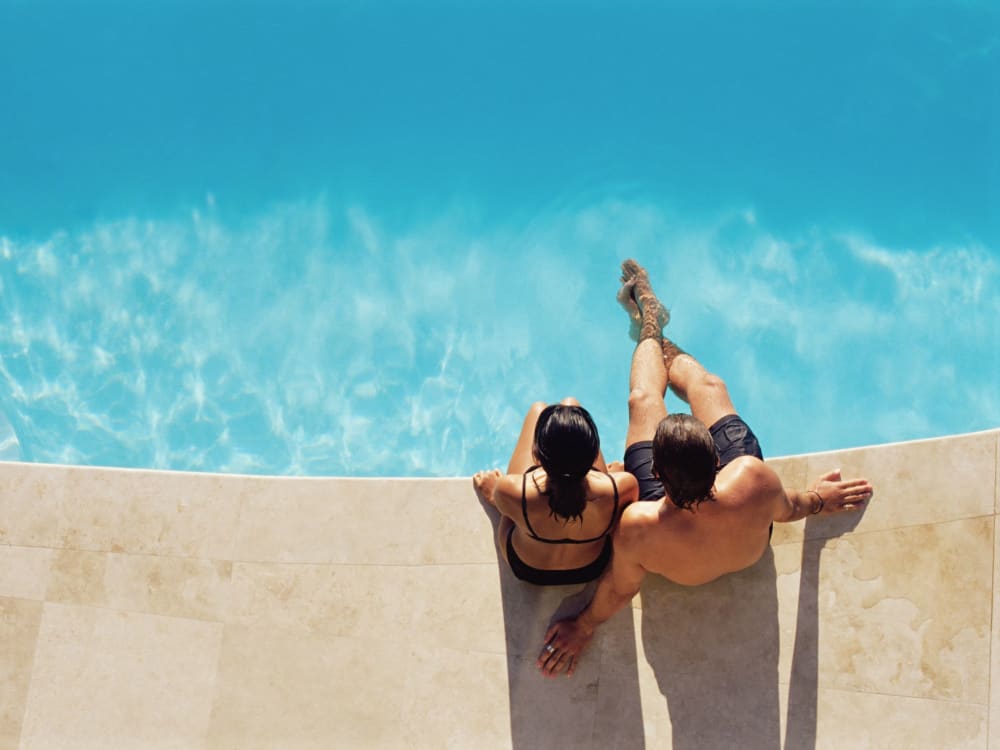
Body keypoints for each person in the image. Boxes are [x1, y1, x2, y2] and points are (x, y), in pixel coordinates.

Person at [536, 260, 874, 676]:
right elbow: (790, 507)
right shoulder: (751, 477)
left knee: (643, 400)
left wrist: (583, 626)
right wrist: (822, 500)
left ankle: (651, 328)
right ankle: (655, 328)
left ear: (655, 475)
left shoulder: (639, 526)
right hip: (734, 508)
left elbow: (621, 587)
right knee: (709, 387)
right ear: (717, 459)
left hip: (673, 509)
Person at [473, 398, 639, 586]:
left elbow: (507, 505)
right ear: (594, 457)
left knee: (538, 409)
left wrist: (494, 495)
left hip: (529, 569)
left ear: (536, 456)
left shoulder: (510, 489)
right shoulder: (624, 487)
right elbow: (621, 521)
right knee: (572, 405)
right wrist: (610, 479)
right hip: (591, 567)